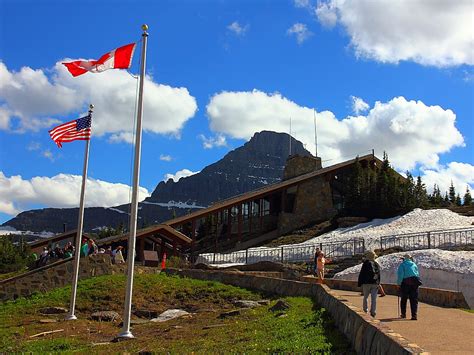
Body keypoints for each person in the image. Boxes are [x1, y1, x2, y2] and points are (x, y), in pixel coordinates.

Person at [397, 254, 421, 320]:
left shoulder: (402, 265)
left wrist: (398, 284)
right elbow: (417, 274)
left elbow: (400, 275)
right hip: (414, 283)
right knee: (414, 300)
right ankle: (414, 315)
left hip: (405, 283)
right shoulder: (414, 264)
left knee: (404, 299)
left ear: (404, 259)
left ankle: (403, 314)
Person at [357, 250, 381, 317]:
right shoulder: (376, 264)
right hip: (375, 283)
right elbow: (379, 274)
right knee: (374, 299)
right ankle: (373, 312)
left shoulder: (365, 263)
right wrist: (378, 283)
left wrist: (359, 283)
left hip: (366, 283)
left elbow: (362, 274)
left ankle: (365, 310)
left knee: (365, 297)